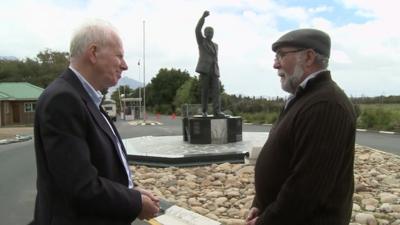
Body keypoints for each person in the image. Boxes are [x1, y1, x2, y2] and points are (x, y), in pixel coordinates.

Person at [33, 20, 160, 225]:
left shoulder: (86, 98)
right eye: (119, 55)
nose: (125, 65)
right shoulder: (63, 100)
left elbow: (101, 167)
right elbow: (80, 186)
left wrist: (131, 190)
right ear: (93, 53)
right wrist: (135, 202)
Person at [246, 28, 356, 225]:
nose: (275, 64)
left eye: (281, 55)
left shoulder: (326, 105)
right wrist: (260, 204)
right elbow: (285, 158)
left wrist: (267, 221)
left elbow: (307, 187)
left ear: (308, 57)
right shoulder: (303, 99)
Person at [195, 10, 225, 117]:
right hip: (205, 69)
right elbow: (197, 29)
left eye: (211, 32)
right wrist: (203, 17)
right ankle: (204, 111)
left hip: (214, 70)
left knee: (216, 92)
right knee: (205, 91)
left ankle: (217, 111)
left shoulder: (216, 45)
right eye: (208, 32)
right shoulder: (201, 41)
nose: (210, 34)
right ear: (204, 33)